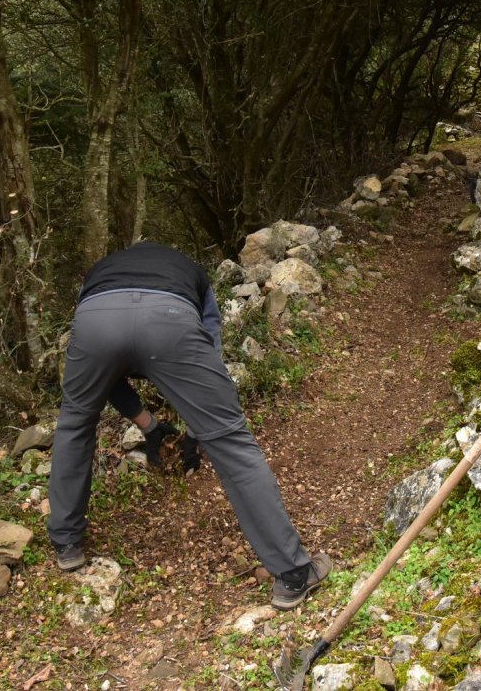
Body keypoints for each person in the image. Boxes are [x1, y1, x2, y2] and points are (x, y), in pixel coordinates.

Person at [46, 241, 332, 610]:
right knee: (231, 440)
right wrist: (198, 433)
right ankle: (293, 573)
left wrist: (147, 425)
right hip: (170, 316)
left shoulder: (101, 273)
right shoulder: (191, 271)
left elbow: (106, 372)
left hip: (97, 317)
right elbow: (208, 347)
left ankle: (67, 543)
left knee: (74, 424)